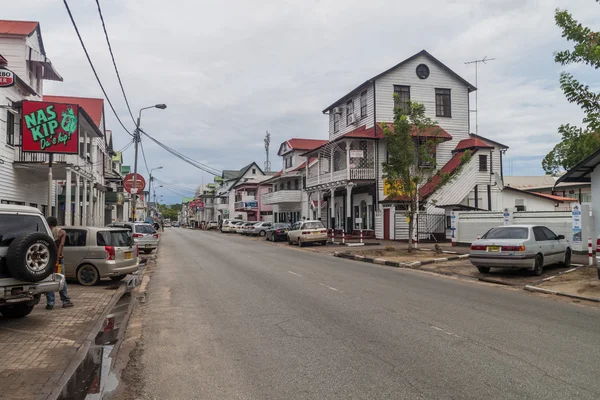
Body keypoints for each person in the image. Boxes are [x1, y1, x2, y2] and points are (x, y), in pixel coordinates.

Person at [45, 217, 74, 310]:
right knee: (61, 278)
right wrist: (57, 257)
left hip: (47, 259)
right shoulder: (61, 232)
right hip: (58, 259)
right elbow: (61, 245)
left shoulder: (44, 231)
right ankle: (65, 301)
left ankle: (50, 303)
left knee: (49, 279)